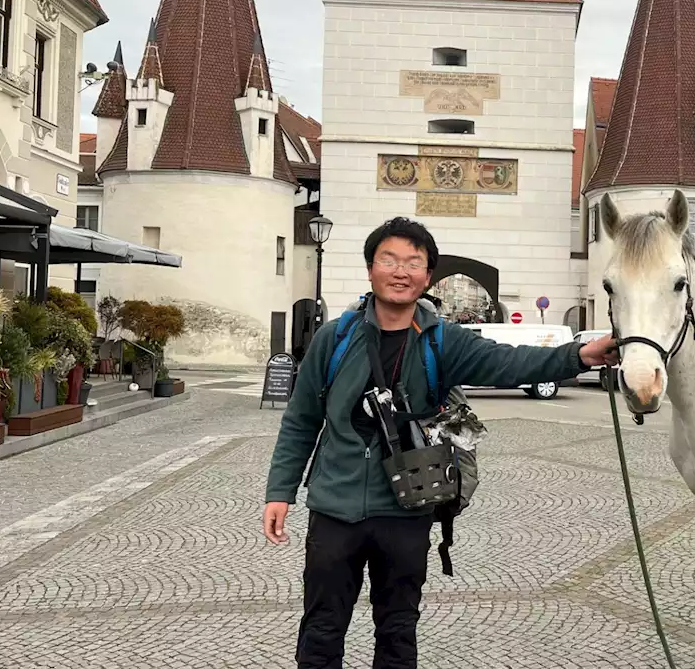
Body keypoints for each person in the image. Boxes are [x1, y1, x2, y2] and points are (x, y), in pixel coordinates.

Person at [263, 217, 617, 669]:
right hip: (335, 508)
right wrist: (280, 491)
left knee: (397, 629)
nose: (401, 271)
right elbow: (301, 419)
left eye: (414, 262)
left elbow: (509, 362)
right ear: (370, 268)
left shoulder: (441, 341)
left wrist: (580, 355)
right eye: (389, 259)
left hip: (407, 510)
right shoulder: (335, 338)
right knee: (322, 627)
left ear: (428, 276)